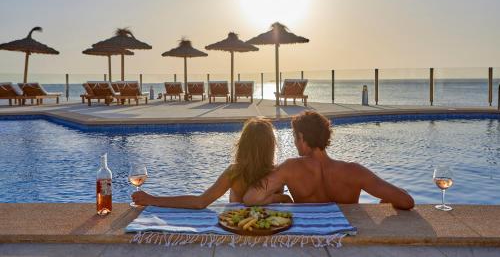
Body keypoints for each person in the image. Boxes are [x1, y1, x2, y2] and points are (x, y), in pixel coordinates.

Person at [243, 111, 415, 210]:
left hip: (309, 240)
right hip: (345, 240)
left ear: (302, 138)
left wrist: (282, 198)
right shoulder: (353, 171)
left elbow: (250, 198)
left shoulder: (290, 168)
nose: (295, 143)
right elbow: (406, 201)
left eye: (295, 138)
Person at [131, 118, 292, 209]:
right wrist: (283, 198)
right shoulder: (277, 173)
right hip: (268, 231)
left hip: (235, 229)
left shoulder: (234, 172)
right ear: (271, 147)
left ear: (243, 145)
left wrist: (153, 199)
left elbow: (200, 202)